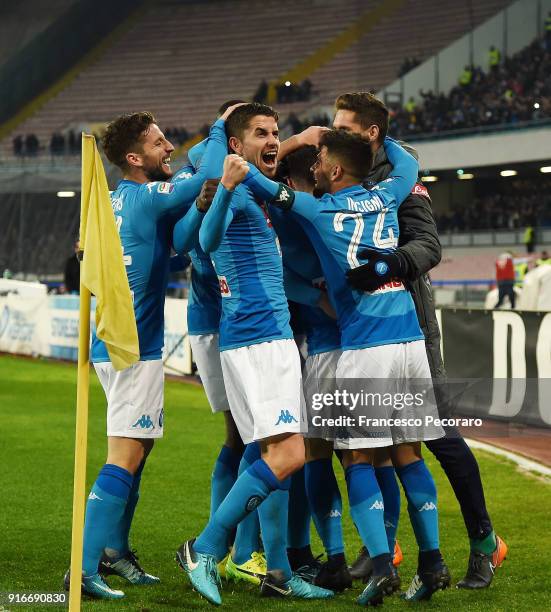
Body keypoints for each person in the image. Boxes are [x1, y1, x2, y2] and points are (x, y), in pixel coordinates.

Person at [244, 130, 448, 605]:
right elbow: (408, 168)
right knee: (407, 455)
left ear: (334, 169)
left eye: (321, 162)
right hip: (409, 337)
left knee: (357, 458)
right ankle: (432, 560)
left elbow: (261, 186)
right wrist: (376, 135)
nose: (314, 168)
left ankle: (378, 566)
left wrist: (259, 148)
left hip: (362, 344)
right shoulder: (385, 193)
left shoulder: (316, 209)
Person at [333, 92, 507, 590]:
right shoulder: (346, 166)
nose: (333, 132)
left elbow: (428, 245)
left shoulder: (402, 177)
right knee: (376, 443)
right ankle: (384, 547)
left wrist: (386, 265)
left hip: (410, 324)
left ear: (370, 133)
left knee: (437, 438)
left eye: (343, 125)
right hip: (363, 328)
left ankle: (485, 542)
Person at [63, 108, 231, 599]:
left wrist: (199, 208)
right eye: (160, 142)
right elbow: (201, 176)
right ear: (135, 158)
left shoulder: (116, 201)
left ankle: (114, 552)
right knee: (125, 454)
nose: (169, 149)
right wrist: (220, 128)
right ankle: (85, 567)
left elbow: (176, 242)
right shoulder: (141, 196)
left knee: (140, 450)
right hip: (131, 345)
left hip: (118, 340)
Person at [176, 103, 334, 605]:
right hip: (261, 341)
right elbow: (206, 238)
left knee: (266, 453)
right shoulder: (236, 191)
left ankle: (279, 572)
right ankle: (204, 547)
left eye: (276, 132)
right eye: (261, 133)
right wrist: (222, 188)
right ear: (235, 146)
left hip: (256, 339)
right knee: (290, 454)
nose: (273, 139)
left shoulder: (253, 193)